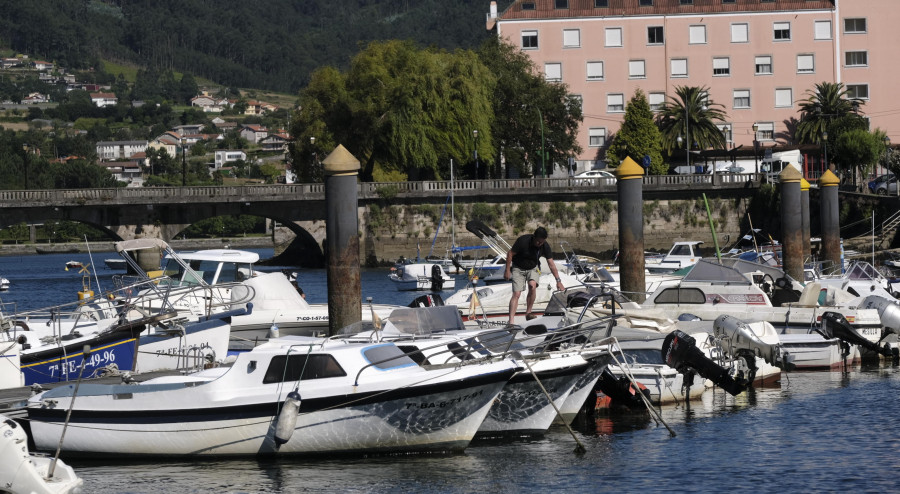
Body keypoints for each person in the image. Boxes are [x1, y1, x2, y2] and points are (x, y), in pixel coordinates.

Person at [504, 226, 565, 325]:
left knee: (532, 286)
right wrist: (507, 270)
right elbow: (510, 253)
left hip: (533, 267)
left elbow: (551, 264)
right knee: (517, 294)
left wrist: (558, 281)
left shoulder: (544, 245)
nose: (540, 244)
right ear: (534, 237)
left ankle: (528, 313)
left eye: (542, 242)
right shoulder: (523, 241)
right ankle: (511, 321)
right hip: (518, 267)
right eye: (538, 242)